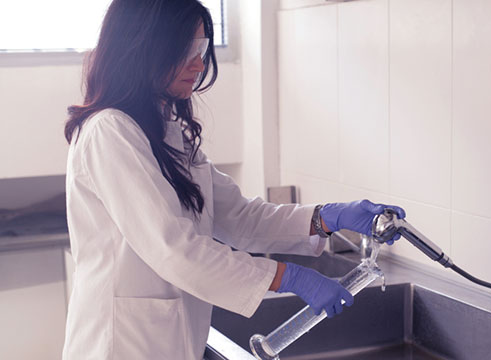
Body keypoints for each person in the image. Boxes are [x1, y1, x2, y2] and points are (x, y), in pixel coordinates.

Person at [61, 0, 406, 359]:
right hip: (117, 347)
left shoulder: (166, 133)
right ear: (143, 45)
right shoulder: (109, 131)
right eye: (185, 49)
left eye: (202, 48)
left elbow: (239, 217)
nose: (198, 63)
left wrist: (325, 218)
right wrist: (287, 276)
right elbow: (175, 249)